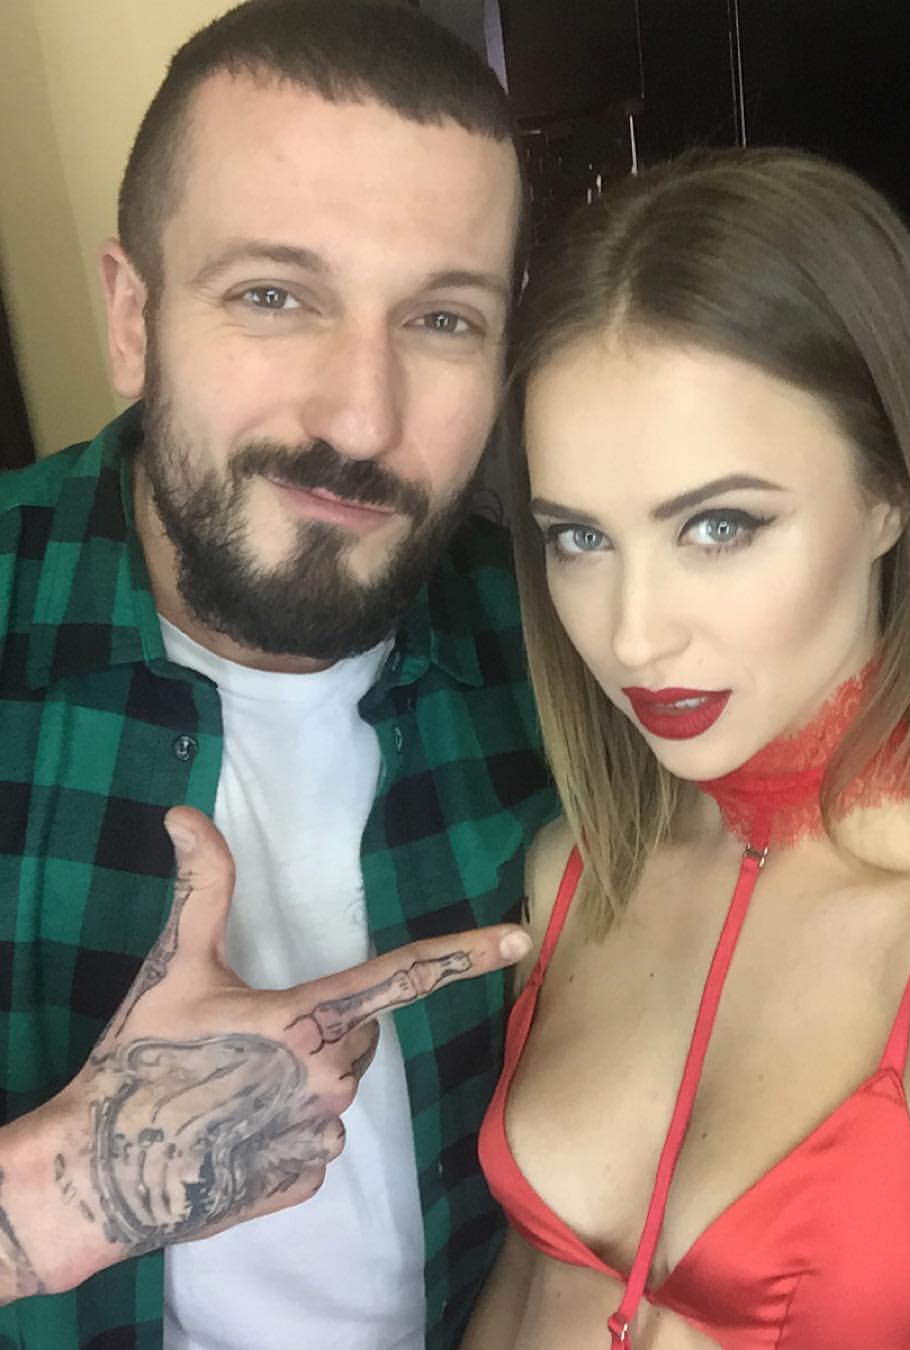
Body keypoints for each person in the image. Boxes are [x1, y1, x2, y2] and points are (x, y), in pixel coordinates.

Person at [0, 3, 556, 1348]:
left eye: (441, 318)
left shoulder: (570, 649)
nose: (360, 416)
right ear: (132, 316)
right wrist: (61, 1196)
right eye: (273, 295)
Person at [463, 149, 910, 1349]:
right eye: (579, 538)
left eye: (718, 526)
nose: (634, 635)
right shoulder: (573, 877)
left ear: (891, 492)